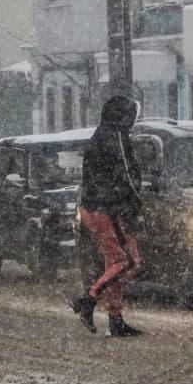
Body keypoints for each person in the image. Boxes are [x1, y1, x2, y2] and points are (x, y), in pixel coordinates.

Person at [71, 94, 144, 337]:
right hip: (108, 207)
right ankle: (89, 300)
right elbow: (127, 172)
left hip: (96, 206)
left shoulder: (101, 135)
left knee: (117, 263)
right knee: (128, 262)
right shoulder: (116, 137)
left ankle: (115, 318)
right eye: (132, 114)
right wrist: (135, 198)